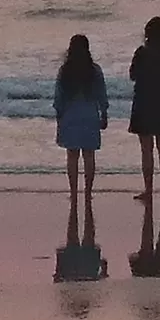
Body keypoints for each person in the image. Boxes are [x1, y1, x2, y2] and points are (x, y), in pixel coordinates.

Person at [53, 34, 109, 212]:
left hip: (70, 115)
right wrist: (104, 113)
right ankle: (88, 192)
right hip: (90, 115)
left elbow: (59, 96)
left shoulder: (65, 71)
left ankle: (73, 192)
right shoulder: (94, 70)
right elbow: (101, 94)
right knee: (89, 156)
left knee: (72, 156)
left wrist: (59, 115)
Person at [129, 16, 160, 200]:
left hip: (144, 101)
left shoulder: (142, 53)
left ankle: (148, 189)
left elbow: (132, 75)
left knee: (146, 150)